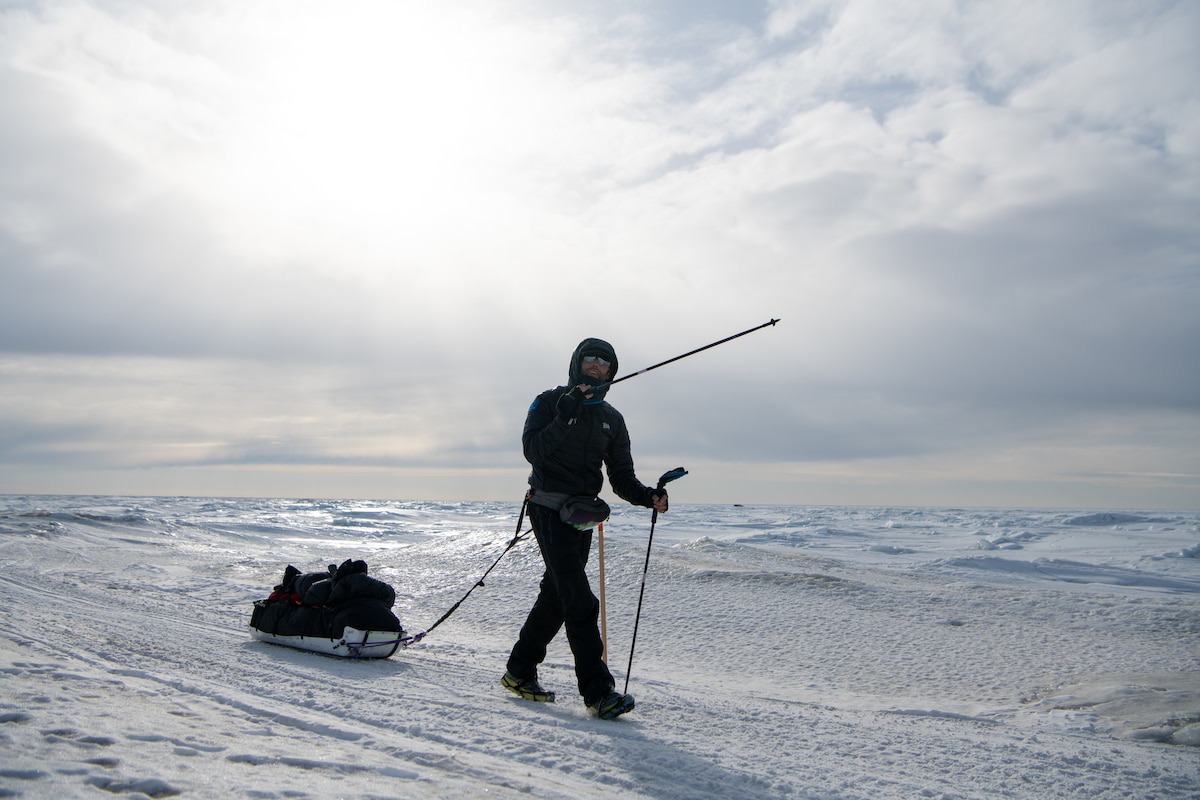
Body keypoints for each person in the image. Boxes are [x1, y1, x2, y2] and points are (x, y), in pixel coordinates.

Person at [502, 337, 669, 720]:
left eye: (604, 362)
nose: (596, 366)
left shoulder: (612, 419)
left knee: (558, 597)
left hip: (582, 516)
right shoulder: (549, 402)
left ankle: (519, 670)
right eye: (590, 359)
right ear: (578, 362)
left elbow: (622, 477)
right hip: (546, 508)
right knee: (580, 599)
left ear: (611, 371)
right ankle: (598, 692)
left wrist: (649, 497)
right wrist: (566, 414)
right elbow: (534, 451)